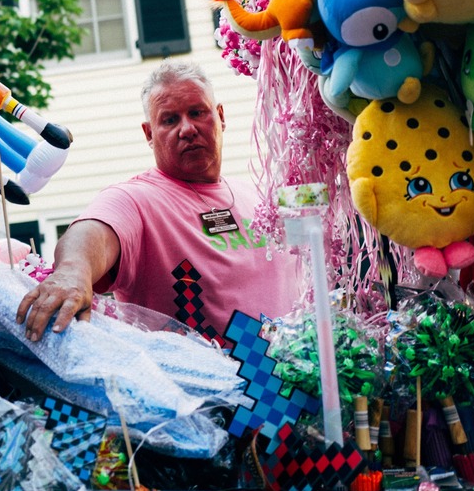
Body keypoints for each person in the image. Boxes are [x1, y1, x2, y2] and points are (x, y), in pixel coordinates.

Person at [17, 61, 301, 343]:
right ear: (149, 134)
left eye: (197, 112)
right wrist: (72, 271)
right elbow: (93, 232)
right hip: (205, 384)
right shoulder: (136, 199)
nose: (187, 128)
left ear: (220, 116)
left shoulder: (259, 195)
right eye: (169, 120)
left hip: (300, 377)